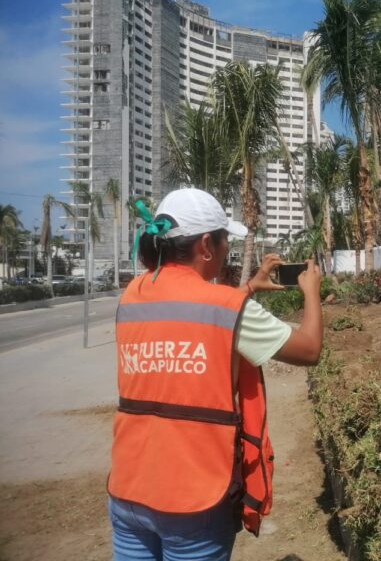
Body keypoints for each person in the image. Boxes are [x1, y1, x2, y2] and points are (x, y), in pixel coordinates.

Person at [108, 188, 323, 561]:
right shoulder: (226, 306)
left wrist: (249, 286)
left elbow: (197, 317)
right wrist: (312, 292)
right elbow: (309, 350)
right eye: (226, 241)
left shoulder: (133, 295)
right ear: (206, 244)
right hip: (195, 494)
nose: (228, 250)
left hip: (129, 487)